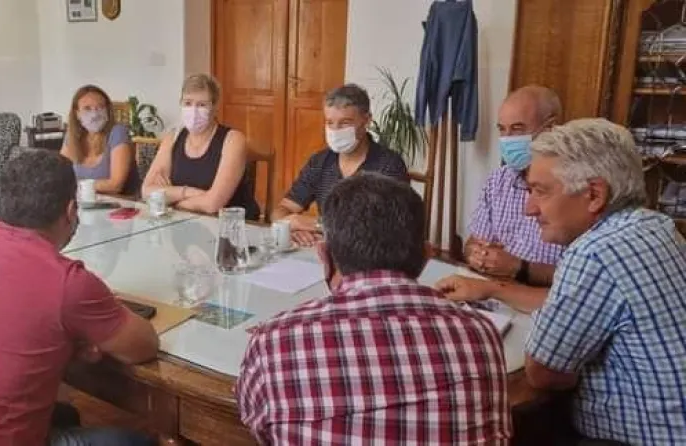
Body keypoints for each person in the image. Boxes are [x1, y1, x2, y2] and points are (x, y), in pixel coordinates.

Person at [0, 149, 158, 446]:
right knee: (136, 441)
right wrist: (88, 327)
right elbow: (143, 346)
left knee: (65, 415)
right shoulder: (68, 282)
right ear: (70, 210)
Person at [237, 173, 511, 445]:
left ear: (325, 255)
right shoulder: (481, 335)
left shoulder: (274, 341)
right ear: (426, 257)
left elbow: (256, 426)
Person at [523, 118, 686, 445]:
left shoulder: (593, 252)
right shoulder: (657, 225)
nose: (529, 208)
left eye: (540, 191)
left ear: (595, 194)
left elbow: (543, 372)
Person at [435, 85, 564, 313]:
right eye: (502, 130)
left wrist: (519, 267)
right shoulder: (499, 180)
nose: (507, 140)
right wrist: (478, 255)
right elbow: (472, 243)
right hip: (490, 294)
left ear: (550, 128)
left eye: (517, 129)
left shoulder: (572, 188)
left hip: (540, 303)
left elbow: (578, 278)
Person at [270, 83, 409, 247]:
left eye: (345, 123)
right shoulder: (319, 162)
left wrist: (316, 225)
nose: (335, 130)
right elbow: (281, 210)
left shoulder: (388, 165)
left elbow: (380, 228)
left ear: (366, 120)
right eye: (330, 123)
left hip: (372, 256)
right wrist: (292, 228)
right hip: (325, 252)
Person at [142, 73, 259, 219]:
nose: (194, 111)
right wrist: (189, 192)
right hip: (184, 224)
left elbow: (212, 204)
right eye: (188, 103)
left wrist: (171, 200)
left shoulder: (233, 140)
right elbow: (147, 191)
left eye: (202, 105)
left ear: (215, 107)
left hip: (230, 227)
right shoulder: (172, 138)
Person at [60, 85, 141, 196]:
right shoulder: (72, 136)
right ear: (77, 113)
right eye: (87, 108)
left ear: (107, 110)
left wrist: (77, 186)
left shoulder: (118, 132)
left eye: (100, 107)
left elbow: (115, 185)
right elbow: (59, 176)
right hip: (82, 204)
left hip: (120, 205)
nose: (94, 114)